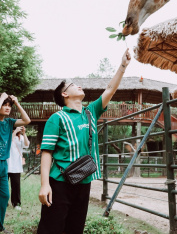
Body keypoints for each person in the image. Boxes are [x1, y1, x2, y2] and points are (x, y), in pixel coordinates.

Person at [37, 49, 131, 234]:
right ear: (64, 94)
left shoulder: (91, 112)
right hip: (60, 182)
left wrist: (123, 66)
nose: (79, 85)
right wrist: (44, 184)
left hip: (84, 181)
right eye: (73, 84)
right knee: (51, 229)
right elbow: (46, 152)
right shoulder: (57, 119)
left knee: (75, 229)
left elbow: (110, 89)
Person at [0, 93, 31, 233]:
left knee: (5, 195)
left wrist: (17, 103)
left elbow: (26, 120)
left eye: (8, 106)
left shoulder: (9, 122)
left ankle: (0, 226)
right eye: (4, 105)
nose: (7, 108)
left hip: (3, 164)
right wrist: (2, 97)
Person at [7, 126, 30, 210]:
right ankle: (3, 202)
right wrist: (14, 132)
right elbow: (7, 142)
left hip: (16, 165)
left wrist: (24, 133)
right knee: (3, 185)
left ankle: (16, 203)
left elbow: (27, 145)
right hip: (6, 164)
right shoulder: (7, 135)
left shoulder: (21, 137)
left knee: (16, 185)